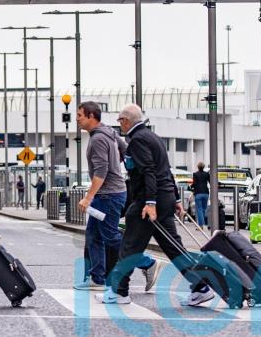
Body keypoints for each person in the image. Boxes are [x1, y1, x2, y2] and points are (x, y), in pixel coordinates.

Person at [101, 104, 214, 307]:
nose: (120, 125)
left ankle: (119, 292)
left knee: (130, 246)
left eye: (120, 120)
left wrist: (150, 203)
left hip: (148, 202)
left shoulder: (137, 140)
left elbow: (149, 171)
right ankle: (200, 287)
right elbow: (165, 170)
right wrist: (175, 198)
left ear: (126, 120)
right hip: (164, 199)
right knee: (173, 247)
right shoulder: (153, 137)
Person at [75, 101, 157, 293]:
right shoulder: (109, 132)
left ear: (91, 116)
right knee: (93, 235)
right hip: (111, 193)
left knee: (111, 236)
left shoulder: (98, 139)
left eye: (80, 115)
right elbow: (126, 150)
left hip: (108, 196)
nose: (77, 119)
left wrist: (88, 198)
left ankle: (148, 263)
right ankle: (97, 278)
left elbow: (101, 171)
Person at [190, 161, 210, 229]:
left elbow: (195, 183)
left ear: (198, 167)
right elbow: (210, 182)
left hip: (198, 193)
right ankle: (201, 224)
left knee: (199, 209)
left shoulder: (195, 174)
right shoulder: (207, 174)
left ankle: (201, 226)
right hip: (206, 193)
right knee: (204, 209)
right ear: (203, 167)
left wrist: (190, 186)